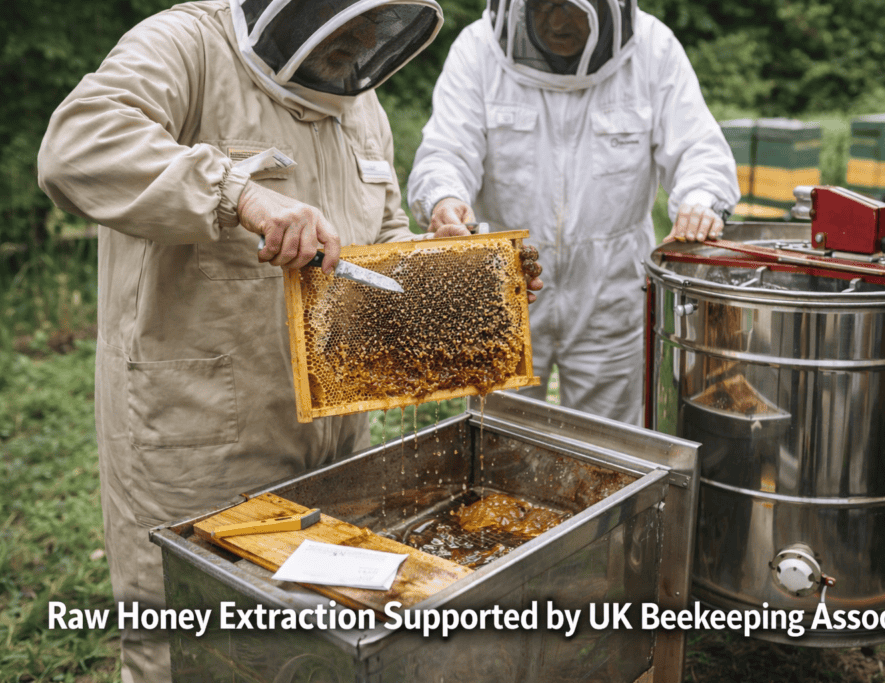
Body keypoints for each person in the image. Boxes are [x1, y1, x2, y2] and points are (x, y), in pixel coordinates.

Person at [36, 1, 446, 680]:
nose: (366, 38)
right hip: (200, 443)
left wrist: (441, 270)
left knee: (310, 644)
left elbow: (382, 233)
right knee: (192, 646)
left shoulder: (361, 103)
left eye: (380, 17)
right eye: (353, 15)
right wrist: (239, 193)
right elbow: (77, 146)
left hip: (335, 438)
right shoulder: (185, 46)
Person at [408, 0, 740, 426]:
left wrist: (699, 199)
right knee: (501, 444)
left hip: (610, 294)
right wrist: (443, 200)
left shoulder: (652, 49)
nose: (559, 20)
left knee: (608, 447)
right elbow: (446, 151)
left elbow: (698, 147)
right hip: (508, 287)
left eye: (572, 7)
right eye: (545, 6)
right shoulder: (479, 49)